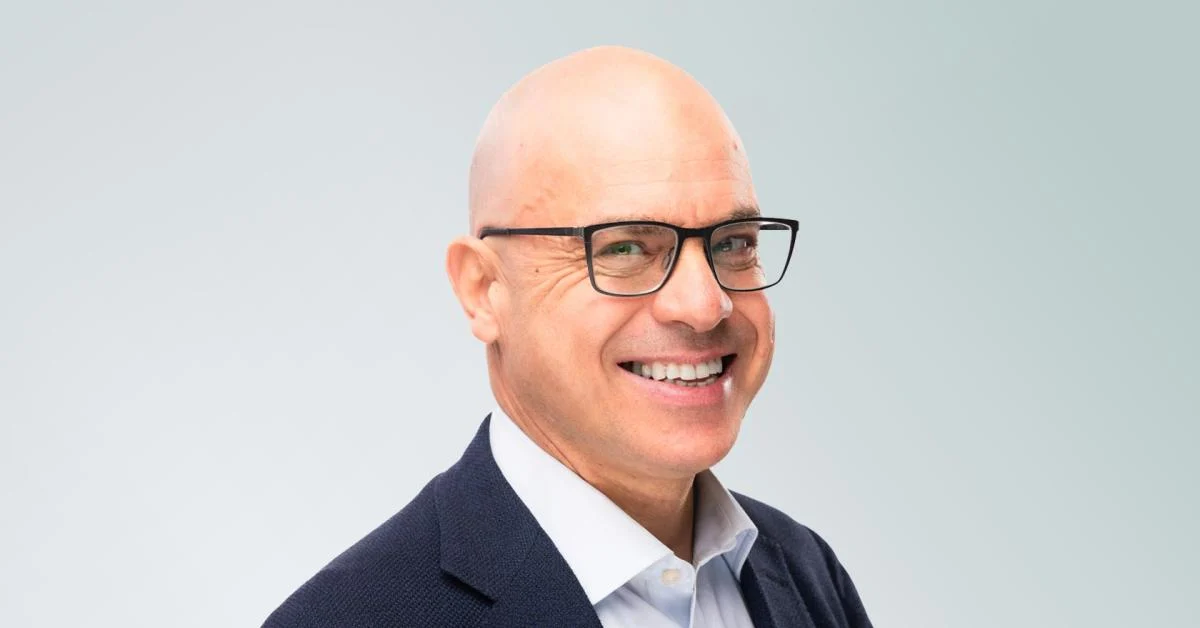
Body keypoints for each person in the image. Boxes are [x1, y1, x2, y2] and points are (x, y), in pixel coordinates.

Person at [264, 46, 872, 628]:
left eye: (734, 243)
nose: (704, 304)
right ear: (483, 289)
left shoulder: (805, 574)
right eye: (625, 248)